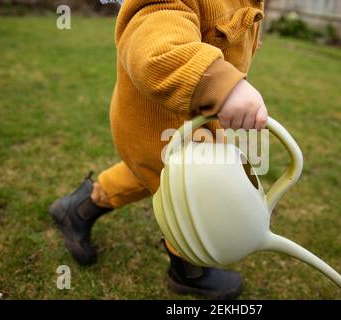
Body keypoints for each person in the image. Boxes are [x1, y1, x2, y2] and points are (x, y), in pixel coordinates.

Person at [49, 0, 268, 299]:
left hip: (194, 118)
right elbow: (157, 43)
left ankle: (78, 208)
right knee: (192, 197)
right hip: (157, 120)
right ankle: (189, 271)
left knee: (150, 175)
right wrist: (219, 83)